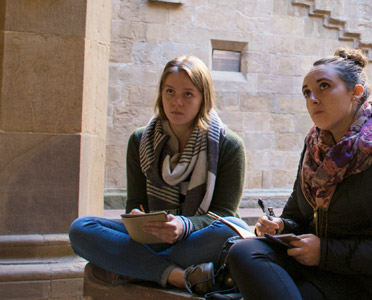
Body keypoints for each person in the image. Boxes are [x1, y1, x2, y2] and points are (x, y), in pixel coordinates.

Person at [226, 48, 372, 300]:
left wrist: (325, 252)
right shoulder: (314, 147)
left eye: (324, 86)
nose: (313, 98)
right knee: (243, 251)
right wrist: (280, 226)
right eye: (307, 92)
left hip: (371, 284)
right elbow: (297, 215)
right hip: (317, 268)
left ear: (357, 93)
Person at [69, 55, 249, 294]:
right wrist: (137, 219)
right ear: (160, 94)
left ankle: (135, 266)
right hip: (152, 237)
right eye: (170, 92)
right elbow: (136, 205)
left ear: (203, 98)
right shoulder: (140, 141)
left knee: (233, 228)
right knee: (81, 229)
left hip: (197, 239)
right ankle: (180, 276)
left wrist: (183, 226)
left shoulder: (228, 145)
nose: (177, 102)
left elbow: (224, 214)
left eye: (188, 94)